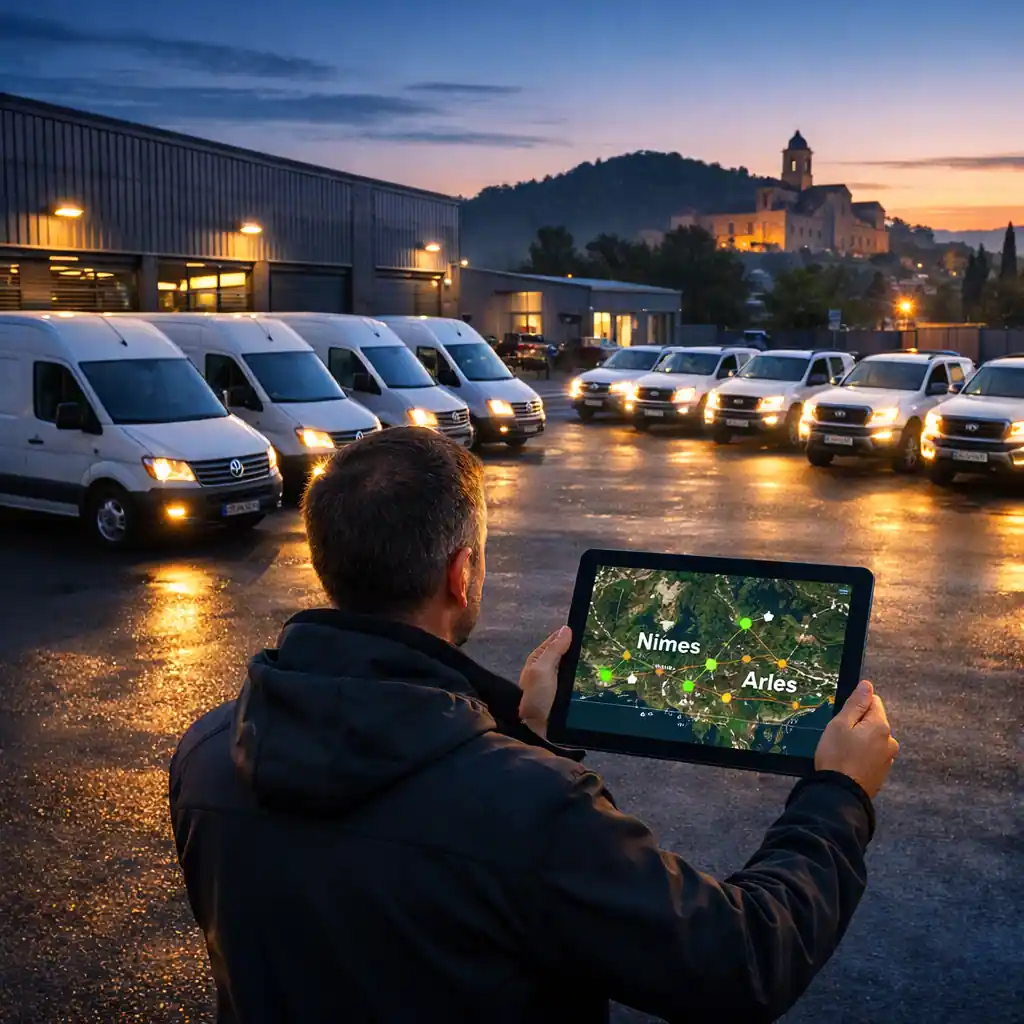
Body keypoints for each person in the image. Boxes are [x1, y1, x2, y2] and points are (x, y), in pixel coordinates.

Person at [169, 428, 899, 1024]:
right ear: (462, 574)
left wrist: (522, 730)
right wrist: (837, 795)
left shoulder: (207, 750)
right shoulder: (535, 809)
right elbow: (740, 962)